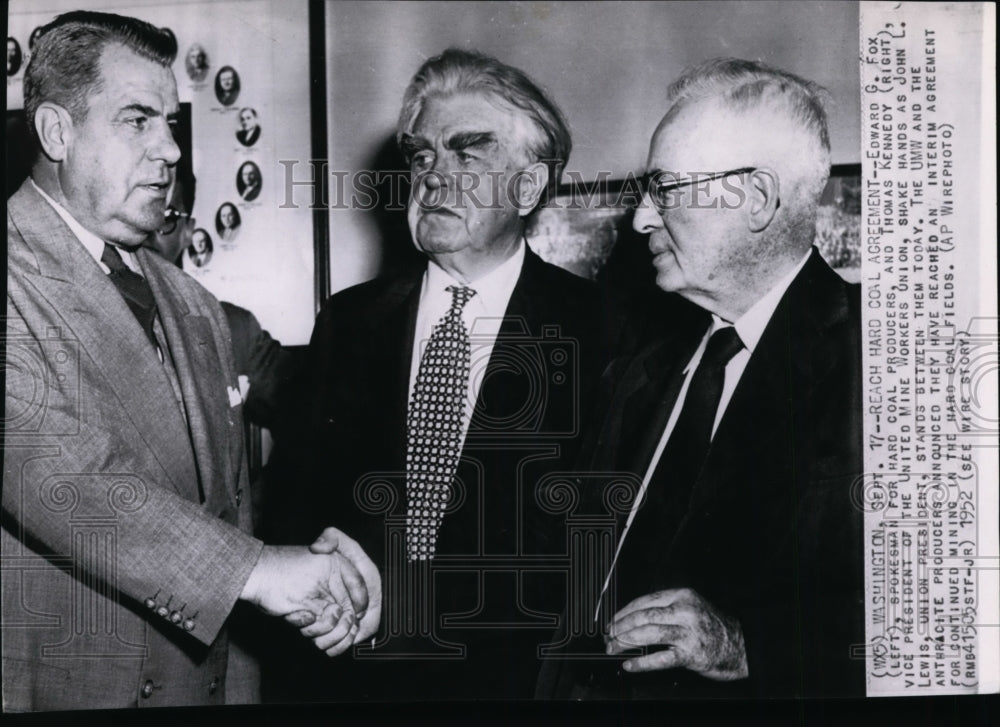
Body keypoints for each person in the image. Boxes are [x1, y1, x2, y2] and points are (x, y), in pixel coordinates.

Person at [3, 11, 379, 711]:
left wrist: (316, 563)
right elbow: (68, 481)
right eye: (138, 120)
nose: (171, 150)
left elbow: (228, 511)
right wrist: (262, 571)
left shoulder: (193, 303)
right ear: (56, 131)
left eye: (170, 123)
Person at [266, 47, 613, 701]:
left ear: (530, 185)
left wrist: (409, 597)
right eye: (422, 156)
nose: (433, 177)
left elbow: (589, 548)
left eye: (468, 152)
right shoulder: (349, 321)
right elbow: (294, 508)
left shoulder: (601, 331)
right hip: (352, 684)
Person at [536, 58, 864, 699]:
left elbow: (947, 618)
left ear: (758, 199)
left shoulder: (883, 367)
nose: (640, 220)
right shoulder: (640, 369)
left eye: (665, 190)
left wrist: (750, 647)